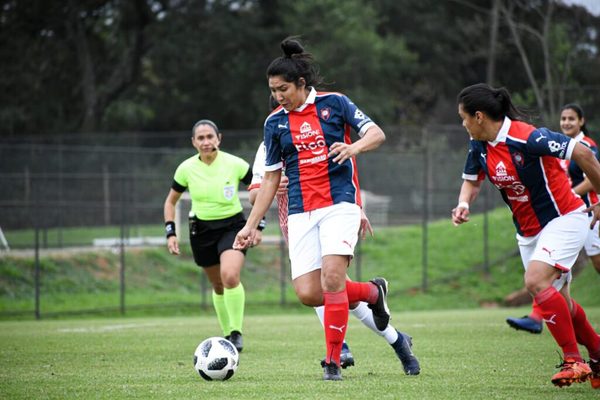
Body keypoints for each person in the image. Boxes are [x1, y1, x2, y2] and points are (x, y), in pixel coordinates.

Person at [233, 37, 394, 381]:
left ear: (301, 84)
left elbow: (377, 133)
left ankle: (333, 363)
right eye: (273, 90)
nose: (278, 96)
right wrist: (251, 224)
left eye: (283, 89)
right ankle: (371, 292)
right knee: (309, 293)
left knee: (332, 279)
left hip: (339, 205)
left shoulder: (336, 104)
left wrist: (355, 149)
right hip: (301, 212)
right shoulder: (274, 123)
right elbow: (272, 180)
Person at [452, 83, 600, 388]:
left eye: (464, 118)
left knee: (535, 281)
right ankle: (597, 353)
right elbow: (472, 181)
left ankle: (574, 361)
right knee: (561, 303)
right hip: (528, 232)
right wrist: (464, 204)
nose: (463, 124)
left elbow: (583, 153)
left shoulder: (528, 137)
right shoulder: (478, 144)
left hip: (564, 217)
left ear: (479, 116)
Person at [248, 140, 420, 375]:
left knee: (328, 286)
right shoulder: (268, 144)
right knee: (337, 294)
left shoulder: (319, 127)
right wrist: (273, 186)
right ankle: (394, 335)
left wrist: (357, 207)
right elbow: (255, 193)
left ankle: (339, 352)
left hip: (330, 216)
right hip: (296, 224)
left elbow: (346, 170)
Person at [163, 119, 260, 353]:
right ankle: (227, 334)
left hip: (232, 226)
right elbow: (170, 201)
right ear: (194, 142)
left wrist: (258, 226)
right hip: (201, 230)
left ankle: (236, 333)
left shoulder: (236, 164)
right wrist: (171, 233)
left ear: (219, 138)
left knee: (229, 275)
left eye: (210, 137)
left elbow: (261, 190)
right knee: (217, 285)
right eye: (201, 138)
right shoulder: (185, 168)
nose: (206, 142)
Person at [507, 103, 600, 336]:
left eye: (571, 119)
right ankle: (542, 319)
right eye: (563, 118)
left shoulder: (585, 146)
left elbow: (592, 176)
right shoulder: (557, 146)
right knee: (554, 272)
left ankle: (538, 317)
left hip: (589, 210)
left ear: (581, 121)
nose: (566, 122)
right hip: (572, 215)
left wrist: (570, 194)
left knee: (595, 264)